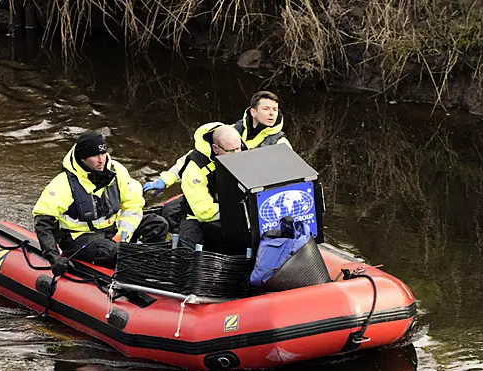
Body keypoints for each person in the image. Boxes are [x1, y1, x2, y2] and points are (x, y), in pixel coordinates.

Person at [32, 131, 168, 274]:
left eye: (103, 154)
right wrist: (53, 257)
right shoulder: (64, 183)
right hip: (79, 238)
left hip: (113, 231)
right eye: (94, 156)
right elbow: (43, 221)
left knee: (158, 224)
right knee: (109, 251)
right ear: (82, 158)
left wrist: (123, 236)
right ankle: (125, 269)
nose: (101, 160)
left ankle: (142, 268)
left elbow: (133, 204)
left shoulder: (117, 171)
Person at [143, 90, 290, 196]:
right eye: (266, 109)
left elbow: (290, 177)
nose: (272, 113)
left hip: (254, 196)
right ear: (253, 112)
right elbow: (196, 157)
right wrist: (166, 179)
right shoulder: (230, 132)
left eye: (275, 110)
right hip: (222, 190)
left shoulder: (280, 144)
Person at [173, 123, 244, 251]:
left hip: (234, 210)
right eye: (231, 151)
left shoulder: (240, 151)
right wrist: (237, 212)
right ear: (215, 148)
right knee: (188, 252)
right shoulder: (194, 169)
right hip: (198, 216)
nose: (237, 154)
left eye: (239, 149)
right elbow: (204, 212)